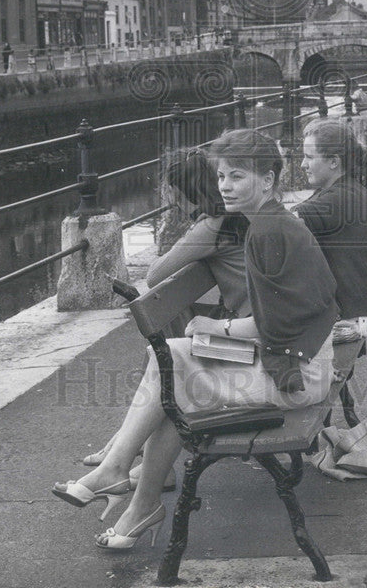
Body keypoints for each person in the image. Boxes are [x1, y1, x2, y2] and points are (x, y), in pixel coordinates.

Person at [54, 129, 337, 551]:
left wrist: (211, 327)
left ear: (269, 180)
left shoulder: (267, 233)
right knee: (171, 369)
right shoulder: (272, 223)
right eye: (221, 176)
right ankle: (129, 488)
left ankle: (128, 485)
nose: (225, 185)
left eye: (237, 176)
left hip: (297, 378)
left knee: (174, 379)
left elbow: (267, 327)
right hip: (301, 360)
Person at [80, 148, 252, 472]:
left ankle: (128, 450)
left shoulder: (210, 226)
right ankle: (129, 448)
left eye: (171, 192)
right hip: (253, 331)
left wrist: (190, 236)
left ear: (181, 192)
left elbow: (155, 274)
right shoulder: (234, 214)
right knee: (162, 358)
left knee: (164, 361)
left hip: (248, 344)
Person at [296, 118, 367, 334]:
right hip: (354, 310)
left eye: (308, 157)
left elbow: (281, 222)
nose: (302, 164)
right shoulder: (345, 189)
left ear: (334, 162)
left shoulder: (339, 198)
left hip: (344, 319)